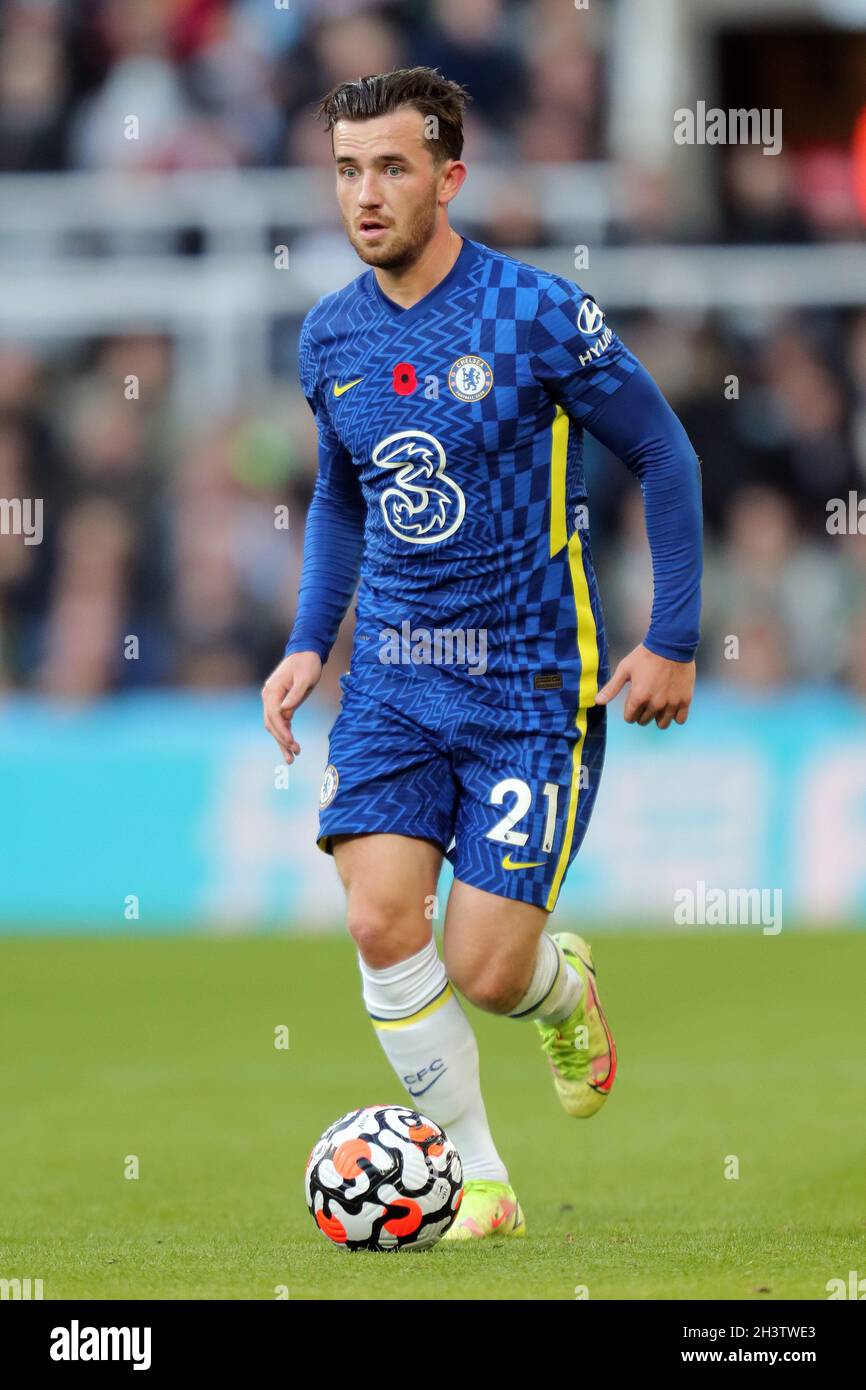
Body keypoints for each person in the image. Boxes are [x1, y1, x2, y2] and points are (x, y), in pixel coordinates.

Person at [262, 67, 702, 1242]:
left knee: (488, 970)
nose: (366, 193)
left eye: (392, 167)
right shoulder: (329, 334)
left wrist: (670, 637)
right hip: (396, 680)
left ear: (450, 178)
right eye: (348, 169)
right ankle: (479, 1182)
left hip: (526, 687)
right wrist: (310, 641)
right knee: (375, 921)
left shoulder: (535, 315)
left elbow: (663, 453)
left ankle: (564, 992)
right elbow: (342, 497)